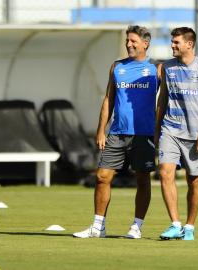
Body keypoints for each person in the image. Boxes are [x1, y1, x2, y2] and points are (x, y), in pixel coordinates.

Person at [73, 25, 159, 239]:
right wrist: (101, 130)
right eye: (127, 41)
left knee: (142, 179)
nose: (129, 45)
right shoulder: (117, 67)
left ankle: (136, 227)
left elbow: (168, 98)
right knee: (102, 176)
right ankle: (97, 227)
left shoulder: (157, 69)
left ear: (145, 43)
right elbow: (109, 99)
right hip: (116, 133)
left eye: (133, 41)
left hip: (144, 134)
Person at [155, 27, 198, 241]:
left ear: (189, 44)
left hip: (195, 133)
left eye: (176, 42)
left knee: (194, 181)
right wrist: (157, 129)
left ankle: (189, 227)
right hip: (170, 129)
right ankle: (175, 224)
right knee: (165, 172)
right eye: (172, 42)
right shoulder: (166, 67)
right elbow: (162, 99)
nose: (172, 45)